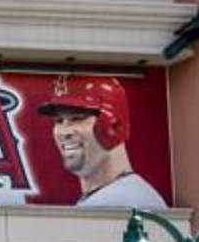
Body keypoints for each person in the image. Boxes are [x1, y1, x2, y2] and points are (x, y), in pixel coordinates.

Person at [36, 76, 164, 208]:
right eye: (58, 121)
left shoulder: (120, 203)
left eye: (77, 119)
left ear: (114, 126)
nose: (64, 132)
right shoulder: (121, 193)